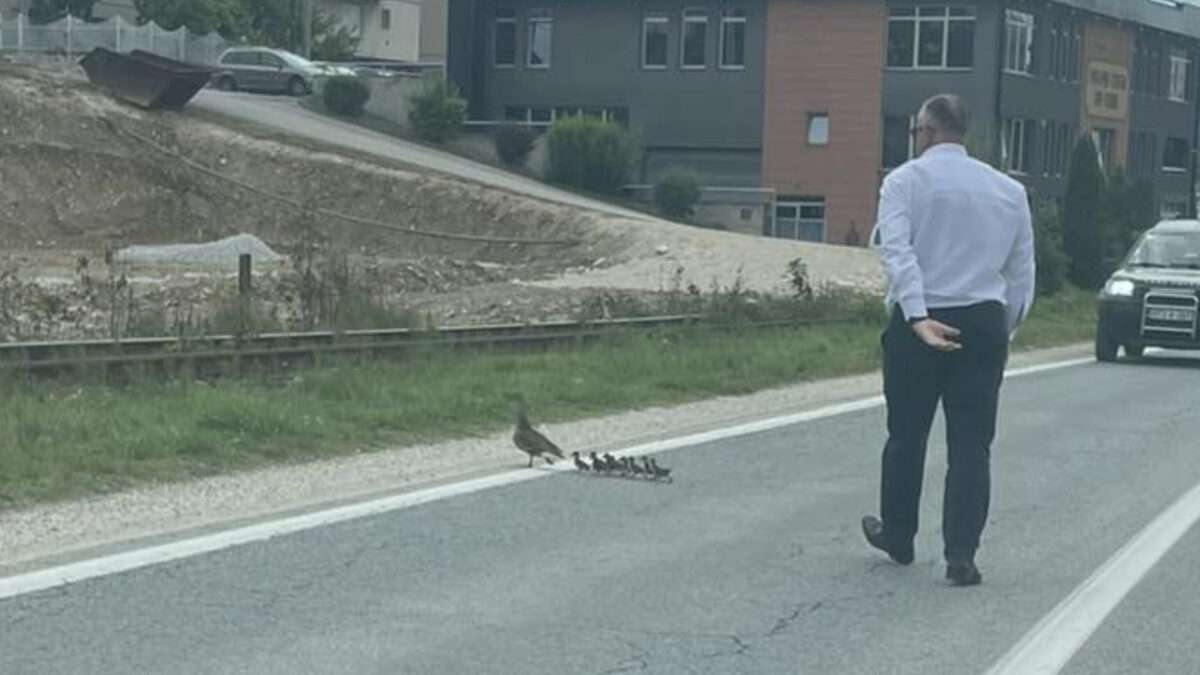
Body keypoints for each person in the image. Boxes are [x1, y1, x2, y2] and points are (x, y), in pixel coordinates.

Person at [862, 94, 1035, 586]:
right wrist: (1004, 329)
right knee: (972, 444)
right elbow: (1021, 272)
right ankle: (962, 555)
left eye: (916, 131)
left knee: (907, 434)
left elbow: (897, 254)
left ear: (930, 131)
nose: (914, 139)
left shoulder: (903, 182)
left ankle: (898, 534)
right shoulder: (1008, 190)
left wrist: (917, 315)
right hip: (982, 320)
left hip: (922, 319)